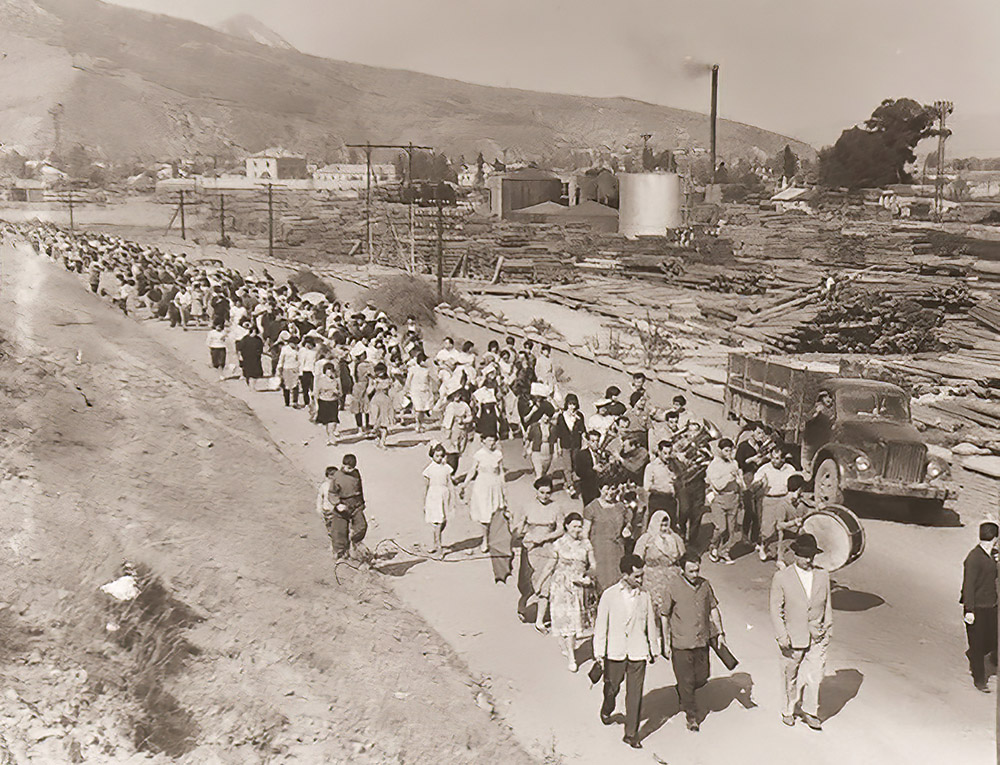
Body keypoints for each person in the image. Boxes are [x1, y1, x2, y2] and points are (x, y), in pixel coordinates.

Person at [593, 554, 660, 750]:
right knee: (612, 686)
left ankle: (631, 734)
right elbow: (600, 626)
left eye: (642, 576)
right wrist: (599, 652)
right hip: (615, 651)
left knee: (635, 694)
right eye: (637, 576)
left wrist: (653, 648)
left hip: (638, 651)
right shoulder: (609, 595)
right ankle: (607, 707)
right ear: (625, 574)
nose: (640, 580)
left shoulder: (644, 596)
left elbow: (650, 624)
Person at [769, 533, 832, 730]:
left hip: (818, 635)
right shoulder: (782, 577)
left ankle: (810, 711)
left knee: (816, 674)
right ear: (796, 554)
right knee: (790, 674)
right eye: (805, 555)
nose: (809, 559)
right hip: (792, 636)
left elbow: (828, 604)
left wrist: (828, 630)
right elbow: (775, 608)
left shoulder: (823, 575)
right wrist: (782, 635)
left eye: (812, 555)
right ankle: (788, 709)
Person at [660, 553, 726, 731]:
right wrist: (665, 642)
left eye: (697, 570)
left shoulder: (705, 585)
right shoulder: (673, 586)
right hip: (681, 643)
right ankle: (692, 715)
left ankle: (683, 690)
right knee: (687, 680)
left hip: (701, 641)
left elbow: (713, 609)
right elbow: (664, 615)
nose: (695, 574)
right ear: (682, 570)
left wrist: (720, 632)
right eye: (691, 571)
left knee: (702, 677)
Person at [541, 512, 597, 671]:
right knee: (565, 623)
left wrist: (587, 576)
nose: (577, 530)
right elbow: (549, 566)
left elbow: (593, 565)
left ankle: (569, 647)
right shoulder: (558, 544)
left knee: (574, 622)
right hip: (561, 586)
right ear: (566, 526)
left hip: (578, 586)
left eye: (580, 526)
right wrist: (540, 584)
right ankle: (572, 657)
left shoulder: (586, 544)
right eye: (574, 526)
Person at [514, 476, 566, 630]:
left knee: (546, 583)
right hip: (530, 548)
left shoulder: (556, 507)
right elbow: (519, 526)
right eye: (542, 492)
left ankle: (540, 620)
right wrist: (522, 536)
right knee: (527, 580)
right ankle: (522, 602)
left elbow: (561, 529)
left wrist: (545, 537)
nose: (545, 496)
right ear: (536, 491)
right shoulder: (527, 506)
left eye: (548, 493)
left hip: (548, 548)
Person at [633, 509, 685, 645]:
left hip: (671, 577)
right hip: (652, 580)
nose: (663, 528)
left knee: (671, 609)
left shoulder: (675, 539)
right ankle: (655, 640)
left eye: (666, 525)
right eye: (661, 525)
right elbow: (637, 559)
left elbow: (683, 557)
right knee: (653, 610)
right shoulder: (646, 539)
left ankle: (670, 640)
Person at [961, 521, 999, 693]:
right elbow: (968, 586)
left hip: (991, 606)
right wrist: (969, 610)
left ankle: (976, 657)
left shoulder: (992, 555)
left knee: (991, 641)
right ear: (996, 538)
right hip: (976, 607)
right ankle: (979, 680)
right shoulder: (974, 558)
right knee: (977, 646)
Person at [584, 481, 633, 595]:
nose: (610, 492)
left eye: (613, 489)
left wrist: (627, 529)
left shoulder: (620, 507)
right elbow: (584, 534)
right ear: (600, 489)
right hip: (600, 552)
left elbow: (628, 523)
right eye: (607, 489)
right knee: (602, 584)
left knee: (617, 584)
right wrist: (589, 554)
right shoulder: (591, 508)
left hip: (617, 551)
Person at [317, 455, 368, 560]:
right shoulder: (337, 476)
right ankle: (341, 556)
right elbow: (332, 493)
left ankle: (354, 542)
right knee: (339, 532)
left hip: (356, 505)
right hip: (342, 505)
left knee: (362, 526)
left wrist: (362, 503)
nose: (350, 470)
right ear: (343, 465)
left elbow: (359, 488)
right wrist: (338, 504)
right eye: (348, 468)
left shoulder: (356, 474)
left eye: (352, 468)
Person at [463, 434, 506, 556]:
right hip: (482, 486)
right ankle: (485, 540)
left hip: (495, 484)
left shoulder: (498, 454)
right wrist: (465, 484)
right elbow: (472, 470)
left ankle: (494, 539)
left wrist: (504, 487)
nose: (492, 443)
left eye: (493, 441)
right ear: (483, 441)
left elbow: (501, 472)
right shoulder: (479, 455)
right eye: (489, 440)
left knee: (495, 513)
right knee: (484, 513)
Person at [753, 448, 799, 562]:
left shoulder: (790, 468)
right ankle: (764, 546)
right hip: (770, 499)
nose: (775, 460)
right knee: (768, 530)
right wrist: (759, 484)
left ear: (783, 458)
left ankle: (781, 554)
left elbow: (796, 482)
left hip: (784, 498)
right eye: (774, 457)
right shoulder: (764, 469)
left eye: (779, 458)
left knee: (787, 527)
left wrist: (795, 495)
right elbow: (753, 487)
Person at [706, 438, 741, 564]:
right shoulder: (713, 466)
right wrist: (730, 476)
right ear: (719, 450)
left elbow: (739, 483)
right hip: (719, 499)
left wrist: (739, 482)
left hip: (733, 498)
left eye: (730, 451)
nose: (729, 454)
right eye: (726, 451)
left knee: (731, 530)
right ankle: (713, 547)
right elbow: (718, 485)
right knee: (721, 528)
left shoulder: (734, 463)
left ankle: (725, 551)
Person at [422, 443, 457, 554]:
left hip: (444, 494)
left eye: (441, 455)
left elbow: (450, 483)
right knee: (438, 521)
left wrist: (453, 497)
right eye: (437, 456)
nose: (439, 458)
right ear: (432, 456)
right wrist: (424, 502)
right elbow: (426, 486)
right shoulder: (429, 469)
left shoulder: (447, 468)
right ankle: (438, 547)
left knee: (443, 521)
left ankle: (435, 541)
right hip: (433, 495)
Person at [552, 393, 585, 496]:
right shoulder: (561, 416)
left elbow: (583, 431)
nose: (572, 407)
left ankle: (567, 482)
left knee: (575, 464)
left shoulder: (579, 416)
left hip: (576, 444)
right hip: (565, 444)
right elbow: (558, 433)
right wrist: (557, 447)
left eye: (574, 404)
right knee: (568, 466)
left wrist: (577, 421)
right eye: (570, 404)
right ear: (567, 404)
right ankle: (571, 486)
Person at [773, 474, 809, 567]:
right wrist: (793, 523)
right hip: (786, 545)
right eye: (802, 489)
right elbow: (779, 525)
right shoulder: (782, 505)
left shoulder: (801, 503)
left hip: (798, 543)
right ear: (799, 489)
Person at [441, 386, 473, 472]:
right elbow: (447, 420)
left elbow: (470, 417)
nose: (456, 396)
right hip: (452, 430)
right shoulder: (450, 406)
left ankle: (452, 472)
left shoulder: (464, 405)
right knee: (451, 452)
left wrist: (463, 420)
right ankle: (450, 472)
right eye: (454, 395)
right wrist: (447, 431)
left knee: (460, 450)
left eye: (458, 394)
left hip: (461, 430)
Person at [404, 352, 435, 433]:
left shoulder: (427, 370)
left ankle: (421, 424)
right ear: (420, 360)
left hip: (425, 391)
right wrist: (406, 390)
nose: (425, 362)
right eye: (424, 360)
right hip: (415, 391)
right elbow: (408, 381)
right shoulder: (413, 369)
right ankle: (417, 424)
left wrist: (431, 391)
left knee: (423, 409)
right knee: (418, 408)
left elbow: (429, 382)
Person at [315, 361, 343, 446]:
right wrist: (316, 405)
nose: (329, 373)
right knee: (327, 422)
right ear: (325, 371)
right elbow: (317, 392)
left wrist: (337, 392)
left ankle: (331, 436)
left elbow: (341, 393)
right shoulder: (321, 380)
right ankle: (330, 437)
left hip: (333, 402)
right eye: (328, 371)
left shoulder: (337, 381)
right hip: (323, 402)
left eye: (331, 371)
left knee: (333, 421)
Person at [367, 362, 394, 448]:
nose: (379, 373)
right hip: (376, 401)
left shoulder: (389, 380)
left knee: (384, 423)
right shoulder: (375, 381)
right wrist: (372, 383)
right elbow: (368, 391)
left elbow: (392, 391)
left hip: (386, 402)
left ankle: (382, 441)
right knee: (376, 422)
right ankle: (379, 438)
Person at [524, 410, 556, 481]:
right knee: (539, 472)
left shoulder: (553, 427)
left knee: (544, 472)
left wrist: (556, 452)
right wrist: (526, 450)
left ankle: (543, 486)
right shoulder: (534, 426)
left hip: (548, 450)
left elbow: (555, 441)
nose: (546, 418)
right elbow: (529, 439)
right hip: (536, 450)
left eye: (548, 416)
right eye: (544, 415)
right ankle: (539, 488)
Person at [574, 430, 604, 506]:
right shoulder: (582, 454)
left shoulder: (602, 453)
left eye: (597, 441)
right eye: (593, 441)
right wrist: (593, 469)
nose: (595, 444)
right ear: (588, 442)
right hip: (588, 486)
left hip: (602, 486)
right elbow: (579, 472)